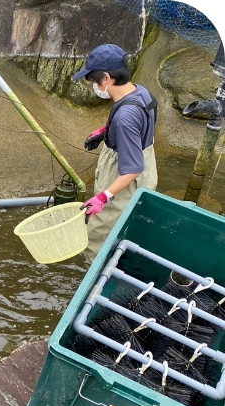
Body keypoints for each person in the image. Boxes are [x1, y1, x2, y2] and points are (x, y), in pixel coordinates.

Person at [74, 43, 158, 265]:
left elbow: (132, 170)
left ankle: (93, 288)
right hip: (147, 167)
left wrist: (103, 198)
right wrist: (105, 131)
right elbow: (139, 127)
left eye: (94, 80)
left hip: (125, 179)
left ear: (107, 78)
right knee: (128, 230)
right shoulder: (141, 92)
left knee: (99, 237)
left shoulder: (125, 118)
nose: (94, 85)